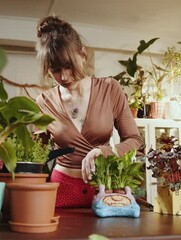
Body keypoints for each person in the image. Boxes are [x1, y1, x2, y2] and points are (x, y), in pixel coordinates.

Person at [35, 15, 144, 208]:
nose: (64, 76)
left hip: (105, 187)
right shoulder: (45, 102)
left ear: (83, 54)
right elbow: (37, 154)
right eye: (55, 70)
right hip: (62, 187)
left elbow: (135, 140)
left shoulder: (110, 89)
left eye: (68, 66)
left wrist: (105, 151)